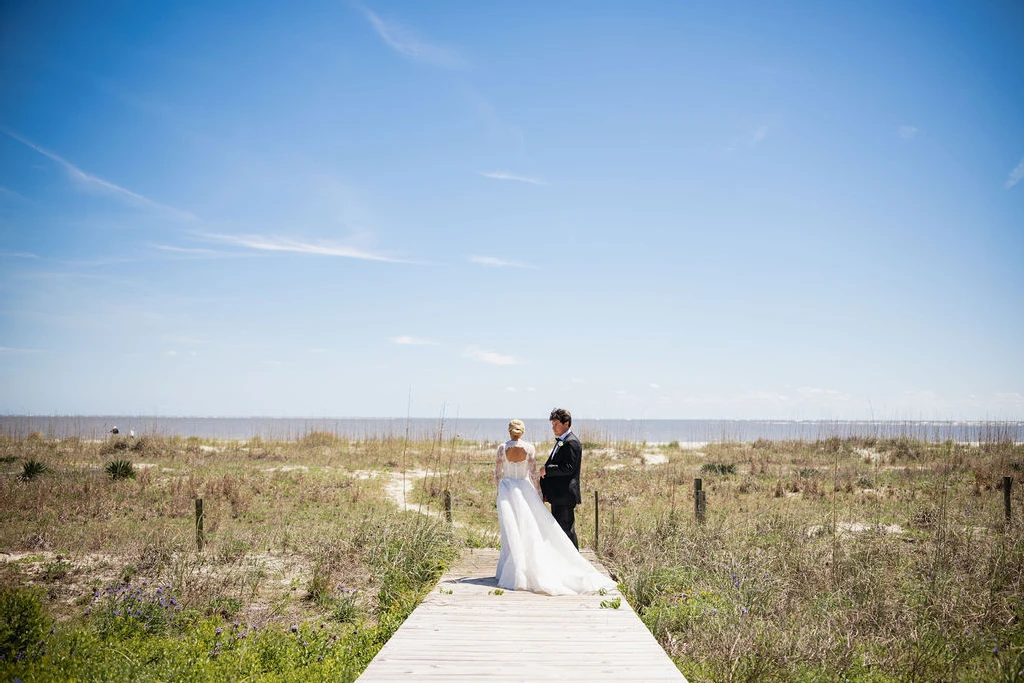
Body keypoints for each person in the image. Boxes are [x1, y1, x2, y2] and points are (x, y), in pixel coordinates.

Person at [494, 418, 614, 595]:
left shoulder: (501, 449)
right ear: (523, 432)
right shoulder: (529, 448)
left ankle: (513, 569)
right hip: (525, 489)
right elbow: (534, 474)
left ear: (509, 431)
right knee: (530, 529)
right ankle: (528, 566)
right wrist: (539, 494)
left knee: (510, 529)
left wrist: (499, 491)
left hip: (507, 491)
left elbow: (497, 473)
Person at [539, 407, 582, 549]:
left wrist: (547, 470)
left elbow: (569, 467)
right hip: (558, 495)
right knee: (559, 531)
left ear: (566, 424)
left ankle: (575, 562)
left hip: (565, 495)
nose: (553, 428)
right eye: (552, 425)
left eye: (556, 424)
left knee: (566, 531)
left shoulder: (572, 442)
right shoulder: (562, 441)